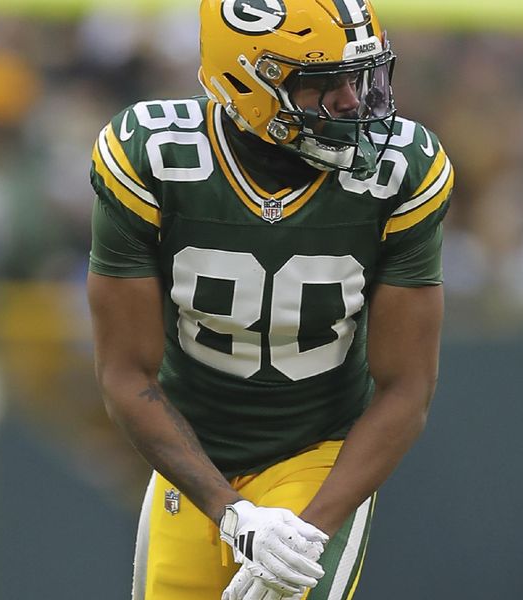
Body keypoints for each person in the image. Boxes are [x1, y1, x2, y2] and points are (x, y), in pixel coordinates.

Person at [86, 0, 454, 598]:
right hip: (194, 456)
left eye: (359, 77)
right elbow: (125, 374)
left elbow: (407, 389)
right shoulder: (154, 158)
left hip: (319, 450)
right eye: (323, 83)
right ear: (247, 80)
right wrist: (231, 511)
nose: (352, 102)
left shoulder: (398, 171)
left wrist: (309, 532)